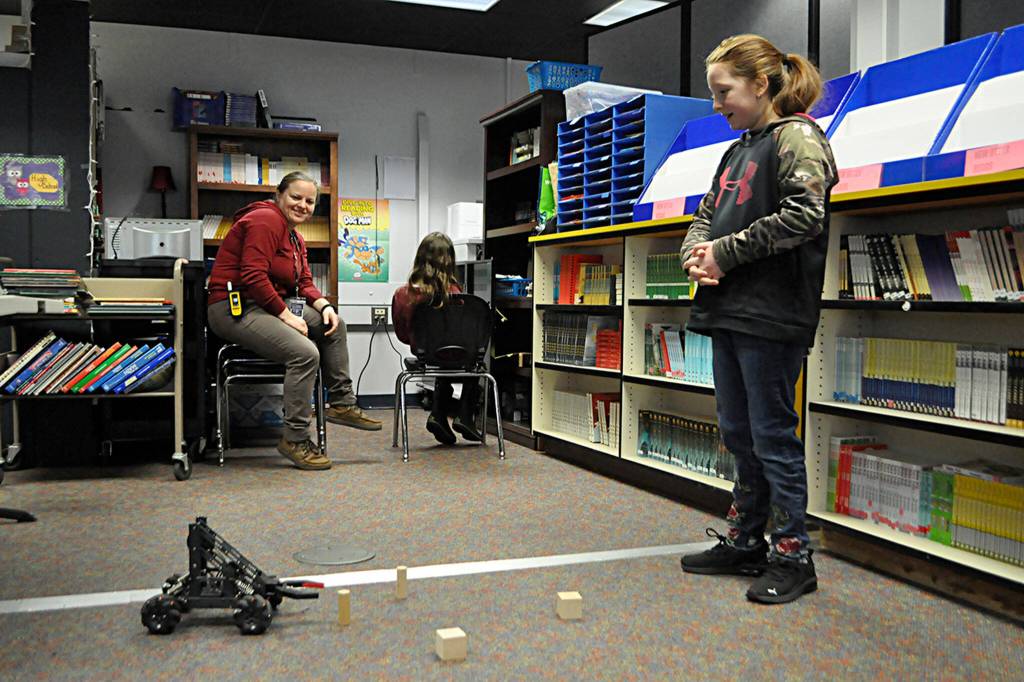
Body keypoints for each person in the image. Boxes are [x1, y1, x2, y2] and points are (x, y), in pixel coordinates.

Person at [677, 34, 838, 604]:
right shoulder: (736, 148)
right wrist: (696, 252)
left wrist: (726, 252)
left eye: (724, 92)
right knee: (738, 433)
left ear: (760, 84)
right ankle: (747, 539)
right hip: (729, 309)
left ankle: (794, 555)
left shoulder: (799, 137)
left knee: (772, 435)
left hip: (772, 314)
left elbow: (805, 214)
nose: (717, 104)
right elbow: (705, 215)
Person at [207, 171, 382, 471]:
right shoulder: (266, 220)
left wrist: (324, 305)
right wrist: (286, 316)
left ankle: (342, 402)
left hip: (266, 305)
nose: (303, 205)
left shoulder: (295, 235)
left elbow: (304, 281)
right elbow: (253, 276)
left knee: (335, 325)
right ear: (279, 195)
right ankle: (295, 438)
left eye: (310, 201)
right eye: (296, 197)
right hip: (234, 308)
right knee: (304, 353)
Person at [391, 232, 483, 445]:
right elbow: (462, 335)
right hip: (457, 355)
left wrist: (422, 342)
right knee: (467, 359)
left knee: (444, 354)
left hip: (425, 355)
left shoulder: (402, 294)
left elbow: (403, 335)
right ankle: (463, 416)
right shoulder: (456, 294)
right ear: (450, 261)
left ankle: (439, 415)